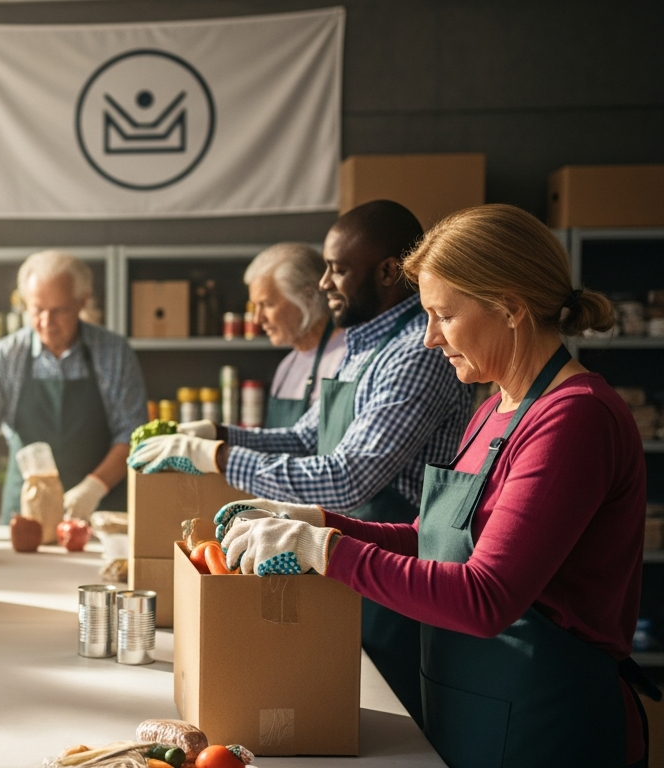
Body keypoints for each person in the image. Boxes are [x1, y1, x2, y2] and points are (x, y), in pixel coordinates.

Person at [215, 204, 653, 767]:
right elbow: (428, 540)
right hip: (474, 705)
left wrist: (324, 550)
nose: (428, 339)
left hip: (546, 725)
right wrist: (316, 521)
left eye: (443, 315)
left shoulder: (575, 419)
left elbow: (485, 597)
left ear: (510, 308)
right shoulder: (495, 406)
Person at [130, 200, 475, 723]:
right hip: (342, 564)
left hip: (392, 584)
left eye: (337, 269)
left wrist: (215, 456)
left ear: (387, 272)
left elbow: (348, 478)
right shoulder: (365, 347)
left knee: (391, 733)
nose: (325, 283)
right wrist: (217, 433)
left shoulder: (414, 354)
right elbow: (305, 436)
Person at [0, 250, 146, 522]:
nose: (47, 323)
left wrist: (94, 487)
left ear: (82, 301)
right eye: (37, 310)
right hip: (25, 514)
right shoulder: (8, 356)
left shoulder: (113, 354)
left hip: (98, 514)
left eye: (60, 311)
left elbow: (132, 434)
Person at [245, 242, 346, 428]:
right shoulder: (286, 367)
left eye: (267, 304)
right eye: (255, 306)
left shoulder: (346, 358)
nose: (257, 319)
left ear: (307, 297)